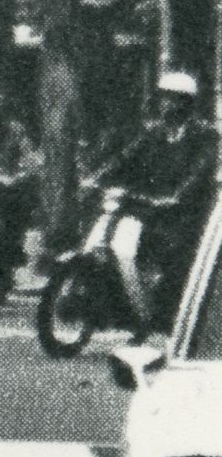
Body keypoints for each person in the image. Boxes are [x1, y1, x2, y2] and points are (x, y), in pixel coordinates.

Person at [92, 70, 219, 337]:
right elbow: (125, 158)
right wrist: (96, 178)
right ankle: (121, 306)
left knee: (173, 255)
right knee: (118, 239)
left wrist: (176, 196)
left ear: (187, 103)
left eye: (174, 99)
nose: (167, 104)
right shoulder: (154, 133)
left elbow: (199, 172)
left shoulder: (205, 136)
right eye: (163, 98)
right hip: (151, 205)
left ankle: (162, 314)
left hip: (187, 211)